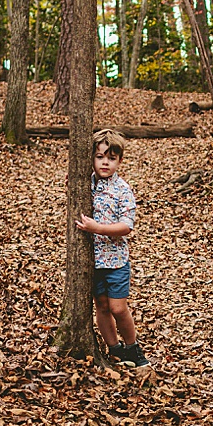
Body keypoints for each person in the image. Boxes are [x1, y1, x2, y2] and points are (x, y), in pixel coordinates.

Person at [74, 129, 149, 368]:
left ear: (119, 161)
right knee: (102, 307)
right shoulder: (87, 183)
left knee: (118, 307)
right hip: (93, 261)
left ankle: (132, 347)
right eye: (99, 156)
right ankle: (114, 349)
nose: (105, 162)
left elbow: (126, 226)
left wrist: (97, 228)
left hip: (116, 261)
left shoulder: (123, 190)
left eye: (111, 158)